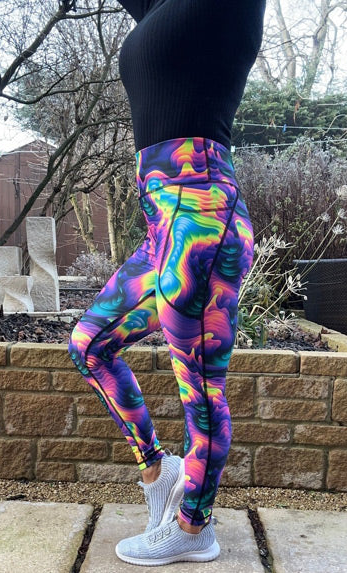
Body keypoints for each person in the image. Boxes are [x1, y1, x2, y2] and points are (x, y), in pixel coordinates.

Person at [68, 0, 266, 566]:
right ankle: (159, 473)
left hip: (201, 221)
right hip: (165, 224)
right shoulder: (162, 8)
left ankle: (193, 527)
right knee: (89, 344)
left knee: (201, 396)